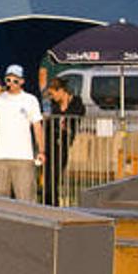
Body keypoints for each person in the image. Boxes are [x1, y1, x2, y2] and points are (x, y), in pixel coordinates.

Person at [0, 64, 45, 202]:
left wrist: (41, 150)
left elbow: (37, 126)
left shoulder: (30, 100)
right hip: (0, 157)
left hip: (23, 157)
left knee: (26, 199)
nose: (11, 83)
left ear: (22, 81)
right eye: (8, 80)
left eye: (15, 80)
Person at [43, 77, 85, 206]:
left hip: (64, 143)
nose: (52, 97)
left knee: (56, 173)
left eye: (53, 93)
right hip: (50, 141)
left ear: (61, 90)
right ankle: (50, 202)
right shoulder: (52, 104)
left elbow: (77, 115)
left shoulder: (76, 102)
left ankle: (53, 202)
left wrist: (64, 115)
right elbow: (48, 119)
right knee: (48, 175)